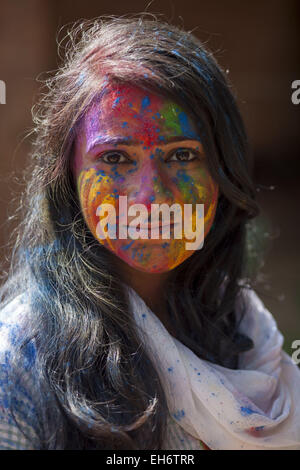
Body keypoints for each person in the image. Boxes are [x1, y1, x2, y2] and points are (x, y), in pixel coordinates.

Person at [0, 15, 299, 451]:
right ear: (68, 178)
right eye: (117, 158)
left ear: (224, 172)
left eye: (182, 154)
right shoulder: (20, 363)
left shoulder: (244, 328)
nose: (153, 197)